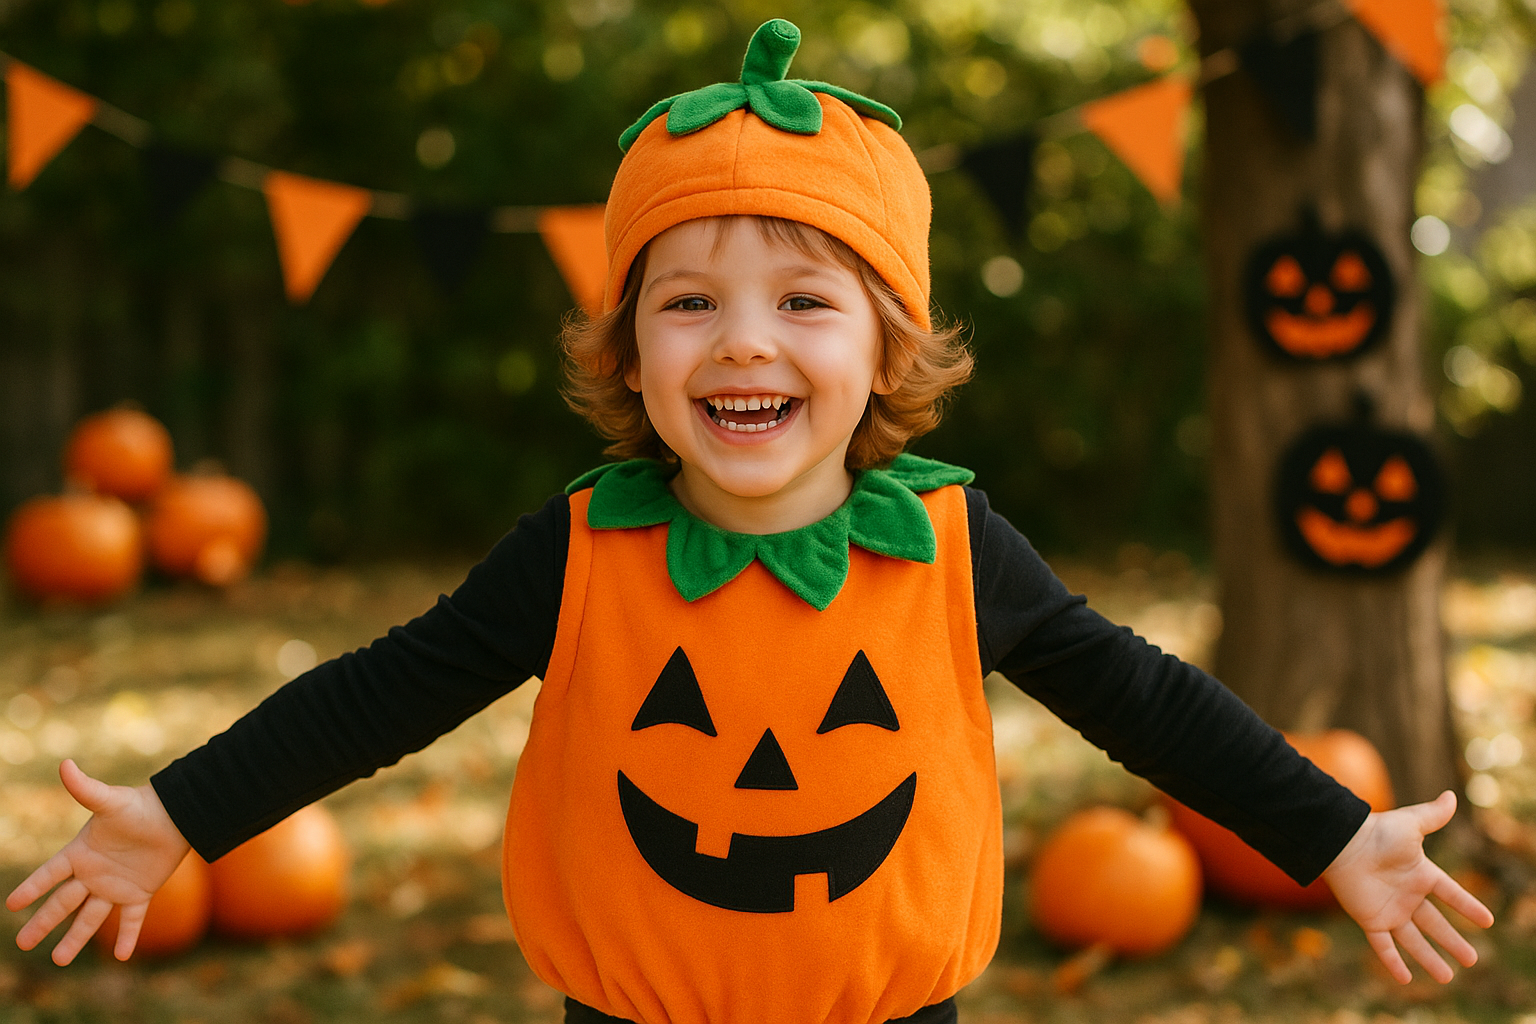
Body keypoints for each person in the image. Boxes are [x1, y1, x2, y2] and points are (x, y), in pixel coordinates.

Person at [7, 19, 1492, 1024]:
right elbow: (384, 692)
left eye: (804, 301)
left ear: (886, 345)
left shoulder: (955, 547)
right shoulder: (583, 550)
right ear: (630, 346)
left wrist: (1331, 836)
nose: (743, 344)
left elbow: (1145, 699)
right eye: (688, 300)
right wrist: (183, 815)